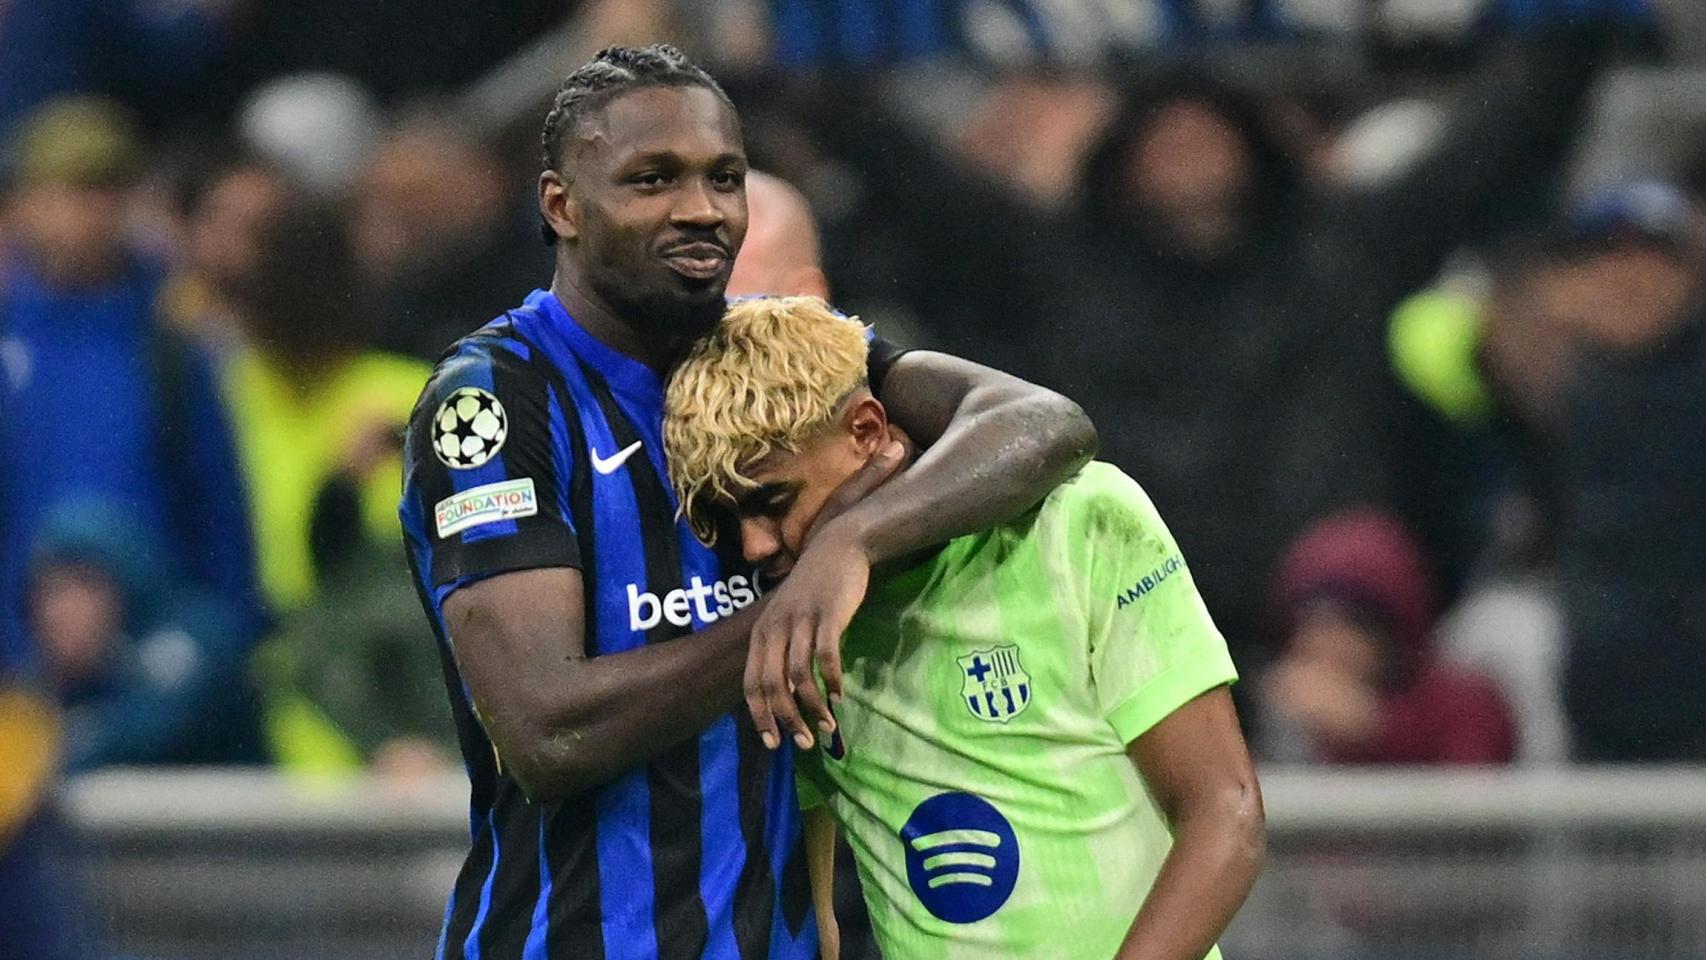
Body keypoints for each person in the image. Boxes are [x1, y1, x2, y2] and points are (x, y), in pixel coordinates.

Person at [398, 44, 1095, 959]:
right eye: (652, 179)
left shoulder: (768, 354)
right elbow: (549, 731)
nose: (701, 210)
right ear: (561, 205)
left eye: (723, 178)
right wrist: (784, 619)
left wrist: (851, 547)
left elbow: (1039, 422)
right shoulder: (493, 399)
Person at [662, 296, 1263, 960]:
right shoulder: (794, 637)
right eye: (728, 518)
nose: (753, 547)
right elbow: (817, 921)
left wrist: (850, 541)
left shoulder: (1080, 520)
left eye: (773, 503)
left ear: (865, 430)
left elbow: (1225, 816)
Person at [0, 96, 260, 673]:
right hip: (20, 671)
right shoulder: (10, 341)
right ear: (24, 205)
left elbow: (217, 510)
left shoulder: (169, 346)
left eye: (108, 191)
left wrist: (227, 646)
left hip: (157, 663)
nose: (90, 213)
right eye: (70, 191)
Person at [1261, 510, 1517, 766]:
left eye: (1351, 622)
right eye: (1312, 622)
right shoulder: (1290, 709)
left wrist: (1372, 729)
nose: (1326, 641)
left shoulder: (1465, 703)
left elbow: (1470, 786)